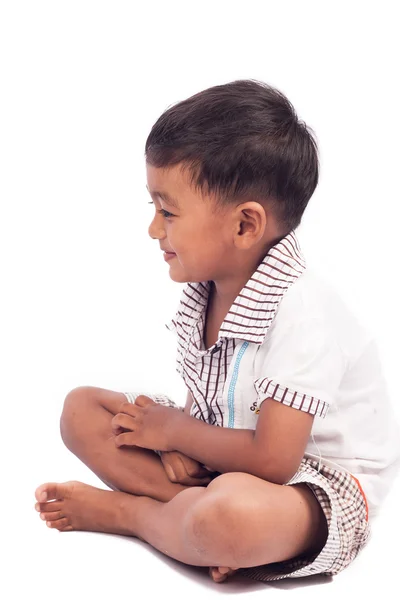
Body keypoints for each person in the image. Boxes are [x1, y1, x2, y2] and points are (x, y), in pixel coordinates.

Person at [34, 79, 400, 583]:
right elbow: (208, 395)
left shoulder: (306, 312)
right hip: (226, 460)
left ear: (245, 226)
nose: (154, 230)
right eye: (153, 209)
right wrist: (176, 443)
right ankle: (192, 525)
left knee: (233, 512)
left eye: (168, 212)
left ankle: (135, 515)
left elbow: (273, 460)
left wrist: (177, 432)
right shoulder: (207, 286)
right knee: (82, 410)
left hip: (310, 486)